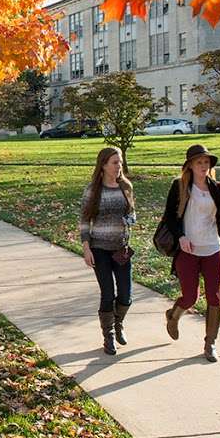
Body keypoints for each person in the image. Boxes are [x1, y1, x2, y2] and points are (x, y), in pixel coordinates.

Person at [162, 144, 220, 362]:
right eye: (199, 162)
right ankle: (174, 314)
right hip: (189, 250)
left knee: (215, 297)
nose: (204, 166)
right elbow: (170, 217)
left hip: (212, 249)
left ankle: (210, 343)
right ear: (190, 166)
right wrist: (181, 237)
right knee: (190, 297)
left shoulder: (216, 187)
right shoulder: (179, 186)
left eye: (206, 162)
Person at [80, 147, 137, 355]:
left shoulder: (126, 186)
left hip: (120, 249)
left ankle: (119, 323)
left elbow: (132, 212)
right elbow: (85, 220)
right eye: (114, 162)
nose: (119, 166)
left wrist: (131, 219)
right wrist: (86, 248)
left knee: (125, 295)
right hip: (100, 249)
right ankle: (109, 335)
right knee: (107, 294)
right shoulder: (93, 190)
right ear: (103, 165)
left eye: (120, 162)